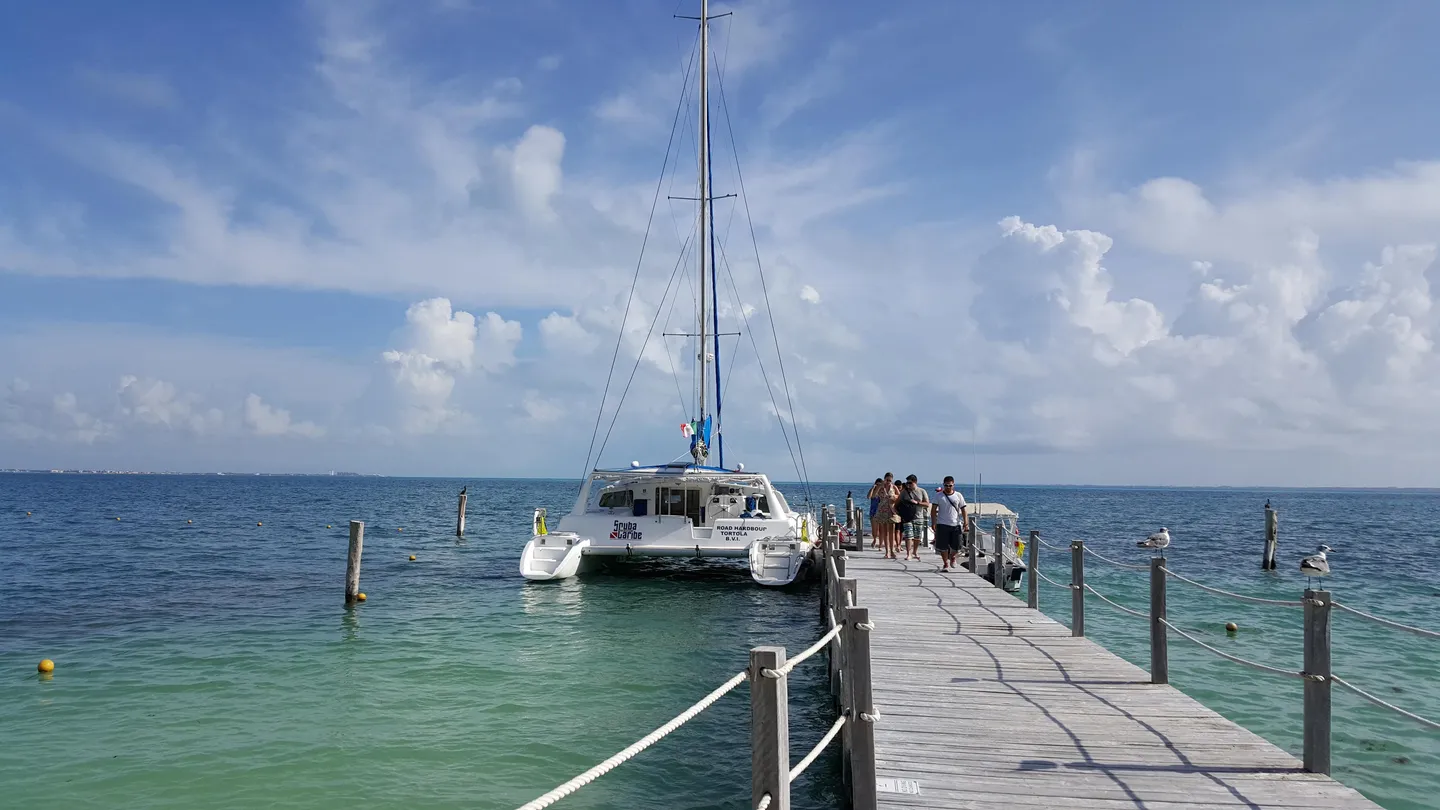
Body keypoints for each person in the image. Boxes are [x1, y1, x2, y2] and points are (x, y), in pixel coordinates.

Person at [931, 475, 968, 572]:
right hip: (942, 524)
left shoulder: (958, 495)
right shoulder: (938, 496)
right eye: (946, 485)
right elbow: (933, 510)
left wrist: (966, 523)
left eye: (950, 485)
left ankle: (952, 557)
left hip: (955, 524)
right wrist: (933, 522)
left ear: (953, 485)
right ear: (943, 485)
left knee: (957, 545)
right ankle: (945, 563)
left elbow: (963, 510)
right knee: (943, 546)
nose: (948, 487)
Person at [896, 474, 930, 561]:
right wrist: (898, 513)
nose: (908, 485)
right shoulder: (904, 492)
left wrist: (917, 503)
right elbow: (897, 503)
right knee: (908, 535)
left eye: (910, 483)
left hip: (919, 516)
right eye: (907, 483)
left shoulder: (922, 491)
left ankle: (915, 551)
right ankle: (908, 553)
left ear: (915, 482)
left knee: (917, 536)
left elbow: (927, 504)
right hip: (907, 517)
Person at [873, 473, 900, 559]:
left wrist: (893, 497)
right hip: (882, 509)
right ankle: (887, 551)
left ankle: (892, 550)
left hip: (891, 509)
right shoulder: (881, 486)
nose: (888, 482)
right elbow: (874, 495)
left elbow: (900, 497)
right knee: (885, 532)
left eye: (890, 480)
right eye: (887, 480)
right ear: (884, 479)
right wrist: (879, 486)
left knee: (891, 531)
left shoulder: (894, 487)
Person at [865, 478, 884, 549]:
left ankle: (880, 544)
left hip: (882, 512)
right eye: (877, 484)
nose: (879, 486)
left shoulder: (883, 491)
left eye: (880, 484)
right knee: (874, 529)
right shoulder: (873, 491)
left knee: (881, 529)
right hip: (873, 512)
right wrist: (873, 488)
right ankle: (875, 539)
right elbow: (869, 497)